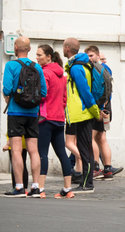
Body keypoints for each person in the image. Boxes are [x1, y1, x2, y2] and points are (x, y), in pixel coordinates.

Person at [3, 36, 47, 197]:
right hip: (33, 113)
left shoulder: (11, 65)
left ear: (15, 48)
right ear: (29, 49)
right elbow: (43, 92)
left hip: (15, 112)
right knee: (33, 150)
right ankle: (36, 187)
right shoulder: (37, 67)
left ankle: (20, 186)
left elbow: (7, 89)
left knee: (16, 150)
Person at [36, 44, 75, 199]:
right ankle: (67, 189)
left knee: (42, 154)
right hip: (59, 118)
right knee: (62, 154)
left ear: (49, 57)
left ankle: (40, 188)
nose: (37, 58)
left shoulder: (45, 73)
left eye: (39, 55)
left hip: (45, 118)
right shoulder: (62, 75)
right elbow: (65, 99)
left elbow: (42, 95)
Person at [63, 37, 100, 193]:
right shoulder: (79, 65)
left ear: (68, 48)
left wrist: (94, 110)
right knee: (84, 148)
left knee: (85, 150)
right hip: (81, 113)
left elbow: (84, 91)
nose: (63, 49)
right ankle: (86, 182)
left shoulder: (76, 68)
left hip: (83, 113)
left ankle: (87, 184)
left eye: (64, 46)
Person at [84, 45, 124, 180]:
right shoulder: (106, 69)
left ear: (97, 55)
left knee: (91, 137)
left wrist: (97, 107)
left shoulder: (92, 69)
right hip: (107, 106)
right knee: (102, 138)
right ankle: (108, 169)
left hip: (98, 107)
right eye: (87, 56)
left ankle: (95, 168)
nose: (89, 58)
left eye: (91, 55)